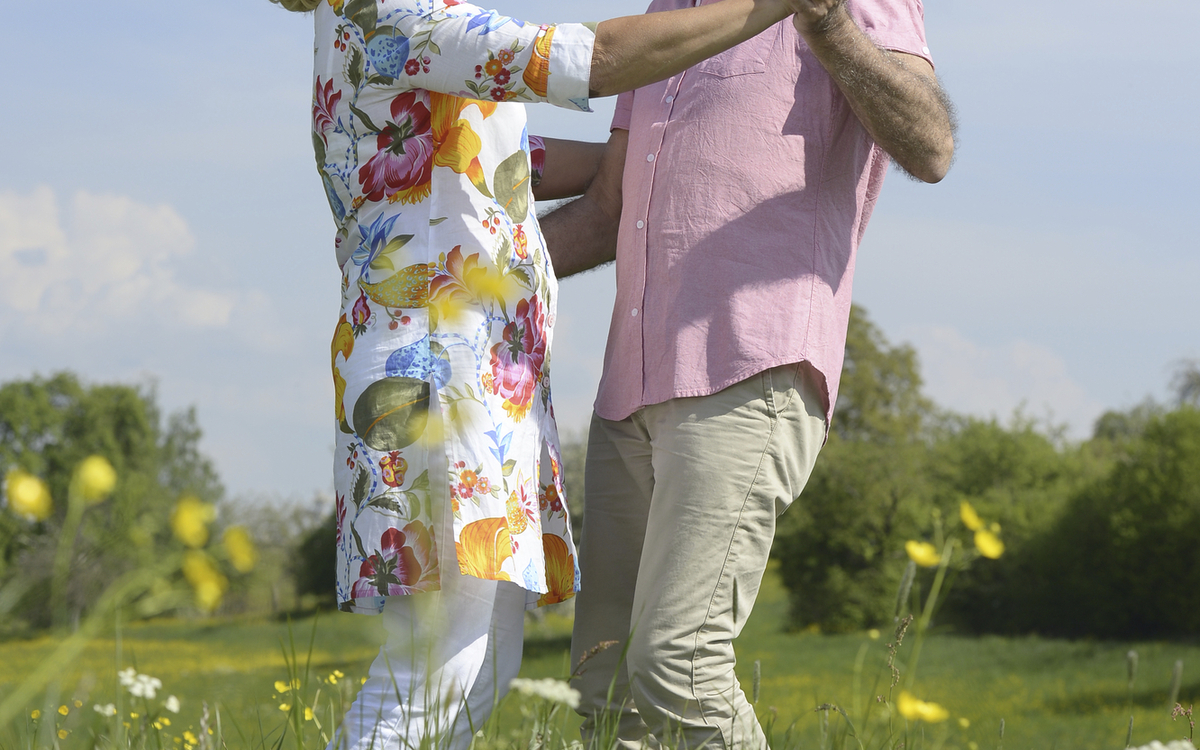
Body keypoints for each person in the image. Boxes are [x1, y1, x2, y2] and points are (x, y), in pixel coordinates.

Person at [267, 0, 812, 747]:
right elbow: (585, 58)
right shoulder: (395, 12)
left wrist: (659, 148)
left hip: (459, 382)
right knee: (433, 675)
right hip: (435, 381)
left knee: (479, 668)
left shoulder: (375, 31)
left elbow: (512, 158)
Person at [540, 0, 956, 747]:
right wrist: (456, 284)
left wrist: (827, 25)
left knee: (680, 665)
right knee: (606, 690)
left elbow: (931, 146)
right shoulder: (664, 13)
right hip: (629, 387)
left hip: (747, 368)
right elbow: (606, 209)